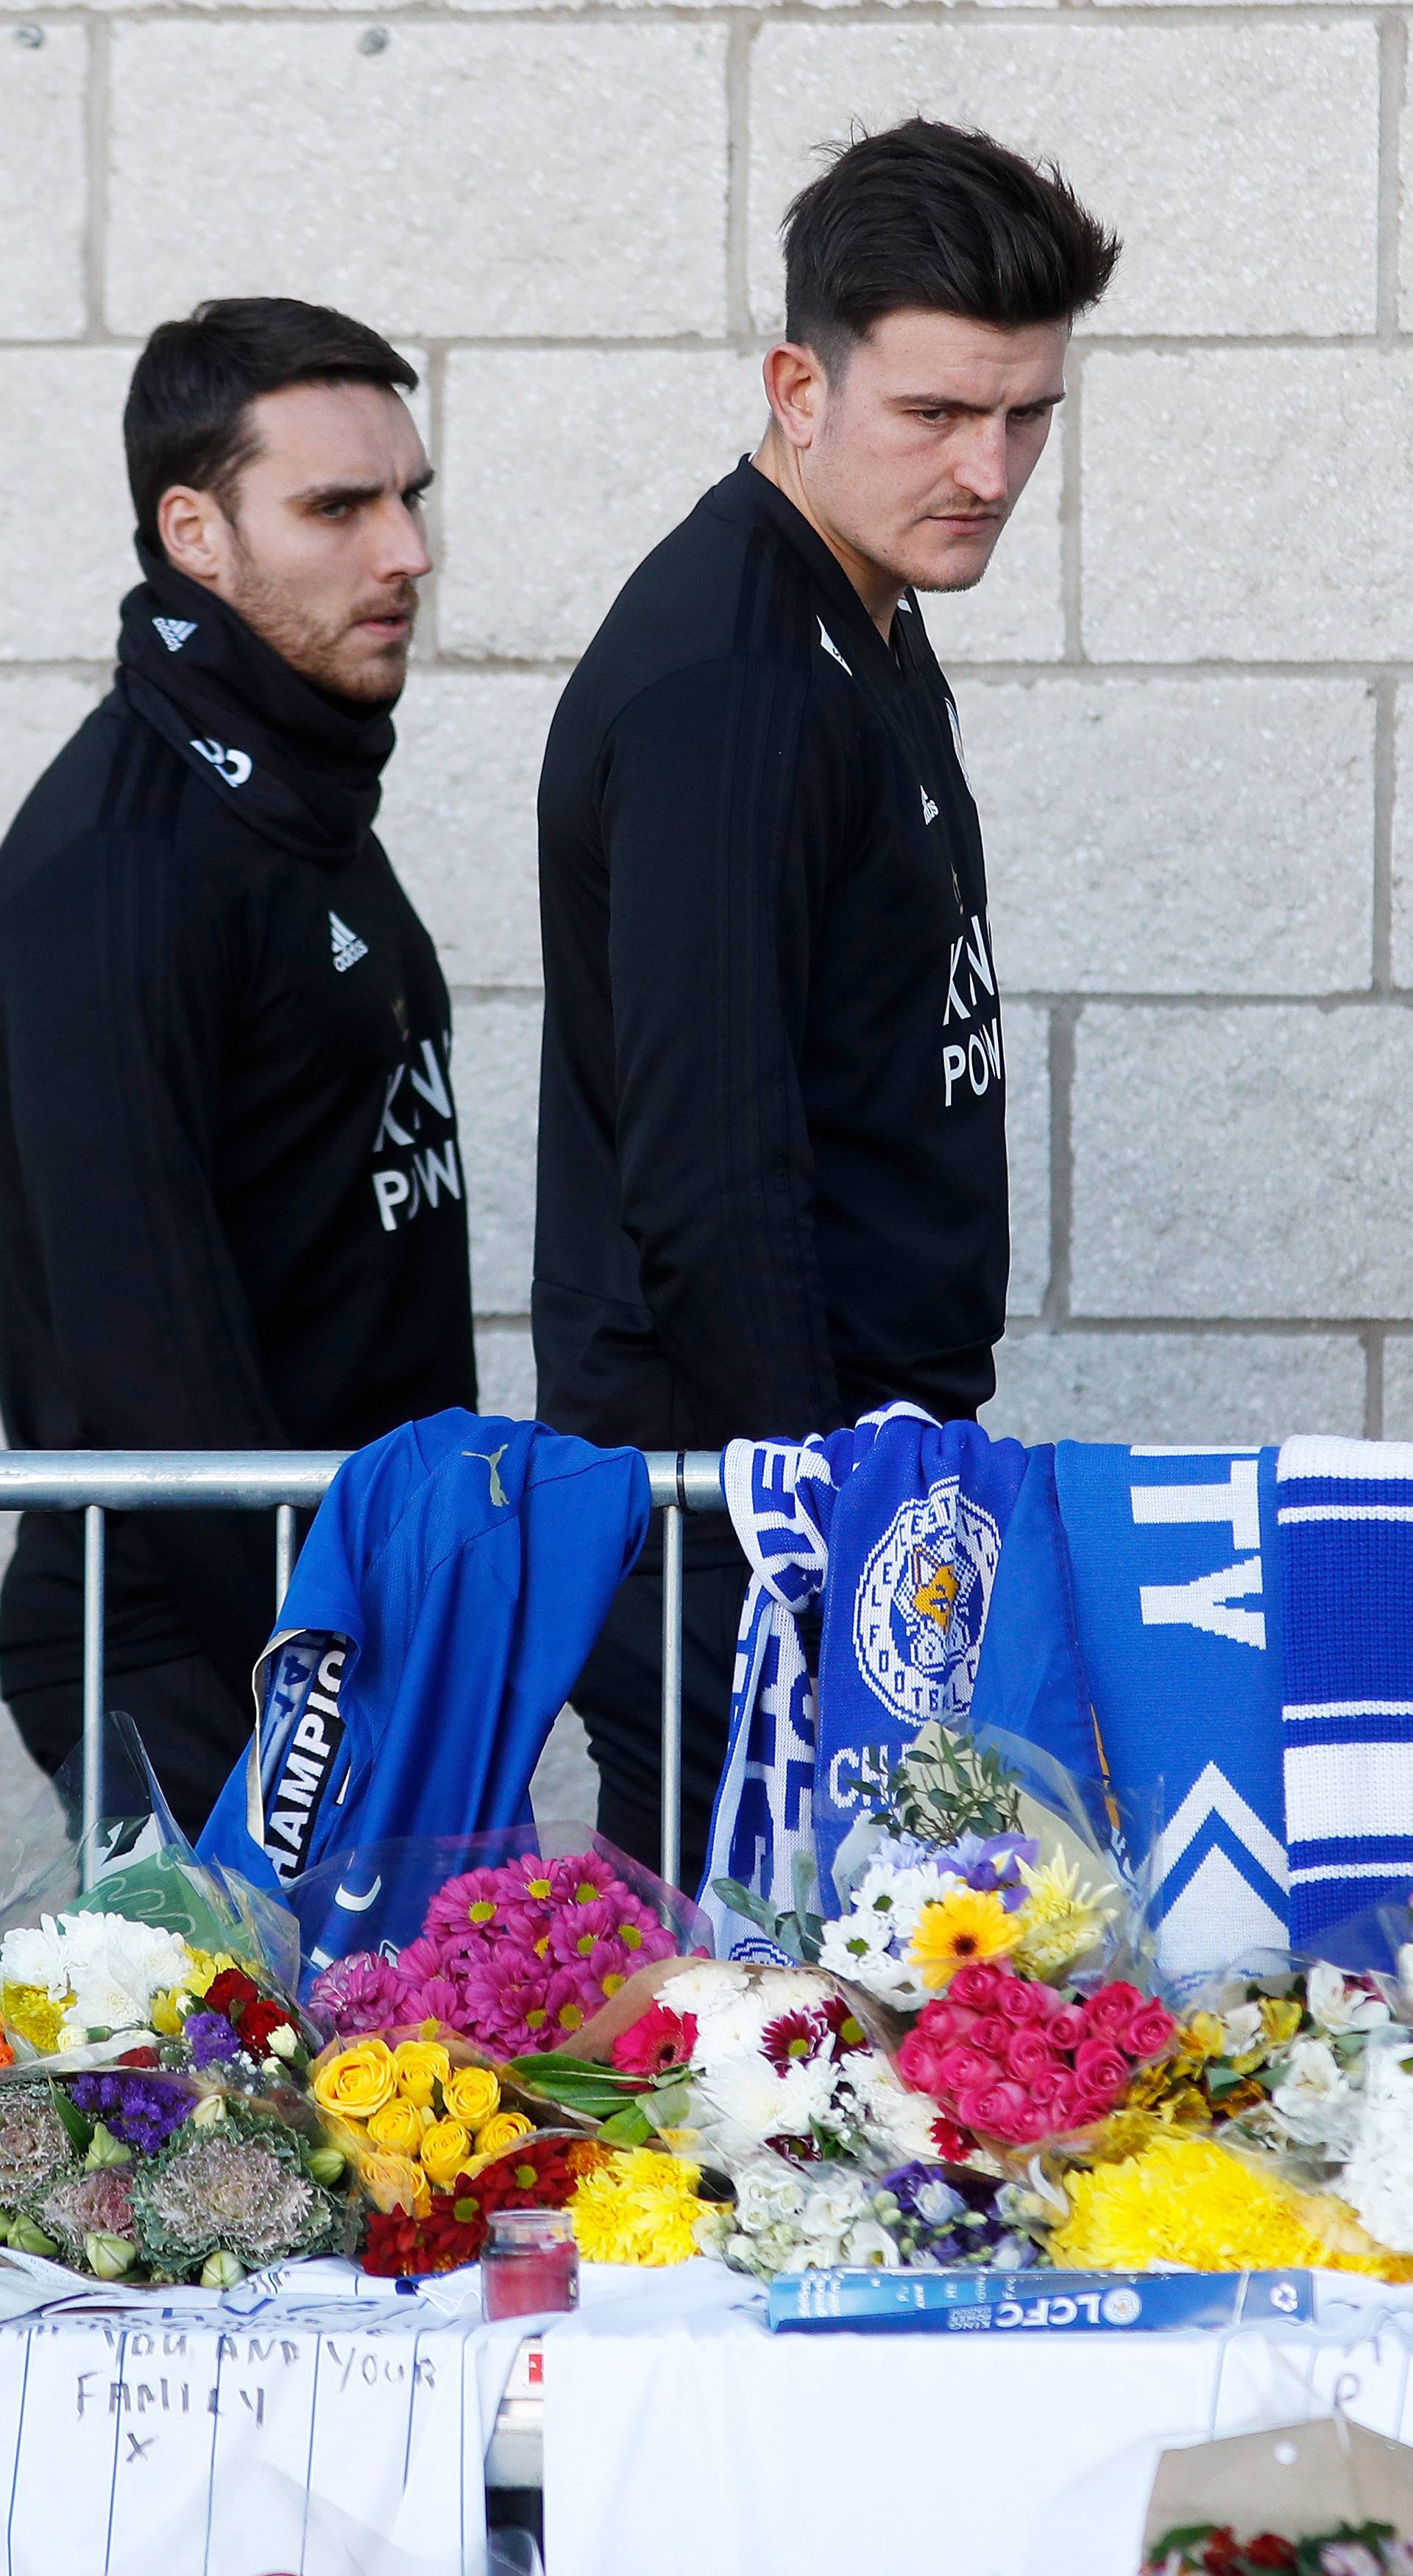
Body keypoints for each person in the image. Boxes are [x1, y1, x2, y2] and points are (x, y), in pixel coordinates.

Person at [534, 120, 1119, 1885]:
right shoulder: (734, 683)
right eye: (936, 413)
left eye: (1027, 417)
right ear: (801, 383)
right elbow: (711, 1180)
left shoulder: (860, 611)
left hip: (852, 1493)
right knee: (772, 2095)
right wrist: (834, 1552)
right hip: (757, 1542)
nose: (991, 466)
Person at [0, 297, 477, 1836]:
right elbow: (149, 1373)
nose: (404, 551)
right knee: (289, 2090)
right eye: (338, 506)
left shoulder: (298, 802)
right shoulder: (120, 867)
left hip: (353, 1623)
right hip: (208, 1663)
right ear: (194, 532)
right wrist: (333, 1684)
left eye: (409, 495)